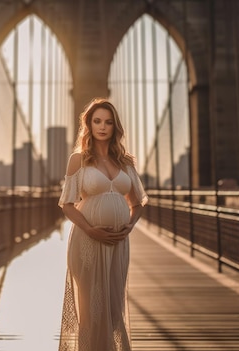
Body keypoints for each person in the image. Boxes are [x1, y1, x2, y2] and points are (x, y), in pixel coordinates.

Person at [58, 98, 148, 351]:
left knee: (113, 309)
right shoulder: (78, 160)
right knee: (90, 312)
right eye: (97, 121)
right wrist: (90, 229)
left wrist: (129, 226)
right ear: (89, 124)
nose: (102, 126)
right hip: (87, 241)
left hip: (118, 243)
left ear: (115, 127)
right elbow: (67, 204)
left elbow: (138, 202)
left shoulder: (125, 162)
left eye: (108, 122)